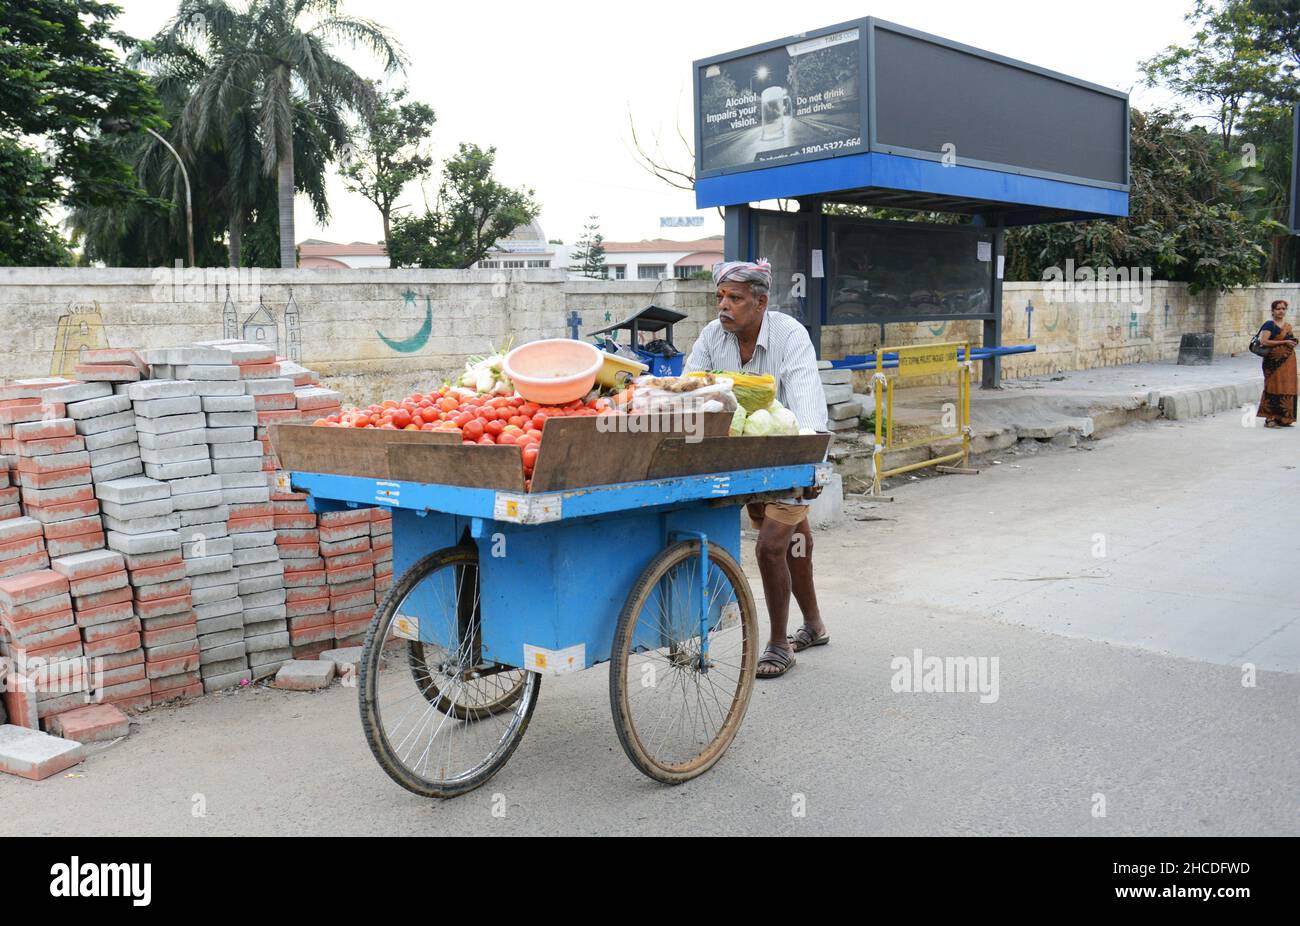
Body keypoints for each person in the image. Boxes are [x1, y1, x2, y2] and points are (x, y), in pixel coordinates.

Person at [685, 259, 829, 680]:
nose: (723, 306)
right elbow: (689, 389)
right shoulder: (713, 337)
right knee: (794, 544)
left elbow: (806, 405)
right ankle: (815, 625)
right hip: (742, 459)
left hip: (789, 456)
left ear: (761, 302)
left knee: (770, 546)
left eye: (734, 298)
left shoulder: (789, 335)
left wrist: (810, 468)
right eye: (720, 298)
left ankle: (779, 643)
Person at [1256, 299, 1297, 428]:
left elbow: (1290, 340)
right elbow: (1264, 341)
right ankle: (1270, 419)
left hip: (1288, 362)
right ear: (1273, 311)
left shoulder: (1287, 325)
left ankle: (1283, 418)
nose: (1281, 311)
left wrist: (1293, 341)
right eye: (1278, 309)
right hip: (1273, 363)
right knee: (1273, 387)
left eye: (1283, 309)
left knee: (1288, 387)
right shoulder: (1269, 324)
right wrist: (1283, 342)